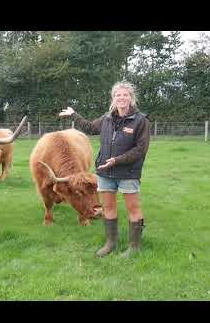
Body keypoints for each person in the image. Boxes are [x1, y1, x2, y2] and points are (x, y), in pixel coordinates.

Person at [59, 81, 150, 258]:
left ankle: (134, 247)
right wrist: (73, 114)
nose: (122, 98)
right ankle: (111, 243)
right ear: (113, 98)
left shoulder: (140, 121)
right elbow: (90, 128)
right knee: (108, 207)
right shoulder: (107, 118)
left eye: (125, 95)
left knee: (133, 208)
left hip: (128, 173)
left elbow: (140, 149)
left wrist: (116, 161)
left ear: (131, 98)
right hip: (105, 172)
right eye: (118, 95)